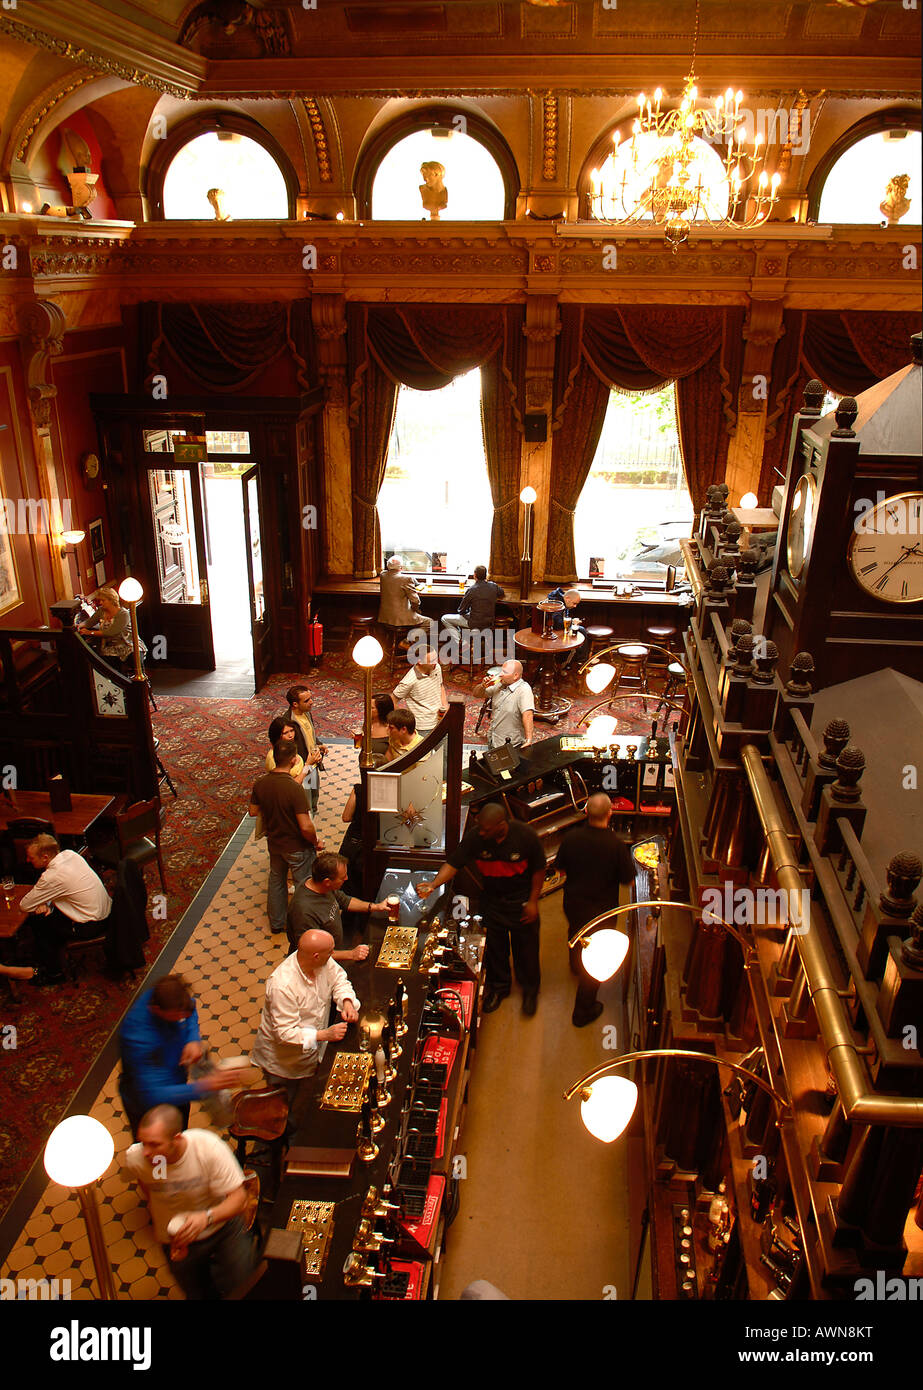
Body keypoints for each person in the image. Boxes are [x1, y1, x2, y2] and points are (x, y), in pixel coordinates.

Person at [418, 802, 546, 1015]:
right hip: (493, 901)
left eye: (486, 829)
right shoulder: (476, 837)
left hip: (521, 901)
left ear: (501, 826)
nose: (482, 832)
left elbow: (539, 870)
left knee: (527, 950)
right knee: (496, 950)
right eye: (481, 828)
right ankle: (500, 988)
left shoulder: (525, 836)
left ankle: (530, 991)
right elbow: (454, 864)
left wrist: (533, 901)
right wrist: (433, 884)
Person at [125, 1104, 257, 1301]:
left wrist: (206, 1218)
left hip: (222, 1229)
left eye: (154, 1144)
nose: (146, 1152)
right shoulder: (136, 1158)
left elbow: (239, 1199)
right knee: (196, 1294)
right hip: (178, 1239)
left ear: (176, 1139)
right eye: (143, 1143)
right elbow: (148, 1187)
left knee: (243, 1286)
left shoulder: (208, 1149)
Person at [250, 928, 360, 1134]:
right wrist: (324, 1035)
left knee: (306, 1094)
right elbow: (284, 1034)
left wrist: (347, 1002)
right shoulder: (282, 985)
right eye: (331, 952)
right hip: (284, 1061)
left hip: (310, 1049)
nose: (333, 955)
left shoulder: (321, 962)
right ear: (316, 955)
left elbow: (339, 980)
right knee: (285, 1106)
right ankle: (288, 1144)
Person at [118, 974, 244, 1137]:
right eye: (177, 1016)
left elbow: (189, 1008)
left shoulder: (168, 996)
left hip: (178, 1086)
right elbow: (152, 1094)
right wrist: (205, 1087)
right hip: (149, 1106)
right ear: (156, 1010)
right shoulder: (136, 1036)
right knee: (159, 1154)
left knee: (178, 1137)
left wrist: (193, 1039)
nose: (182, 1018)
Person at [555, 794, 636, 1026]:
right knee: (597, 957)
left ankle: (574, 965)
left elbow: (560, 870)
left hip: (574, 904)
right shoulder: (616, 846)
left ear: (586, 812)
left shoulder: (571, 839)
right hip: (602, 911)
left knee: (576, 935)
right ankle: (582, 1011)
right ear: (610, 813)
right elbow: (629, 881)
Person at [249, 744, 322, 935]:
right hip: (297, 845)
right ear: (293, 760)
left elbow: (253, 811)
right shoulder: (294, 789)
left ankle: (276, 923)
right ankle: (301, 926)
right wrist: (315, 842)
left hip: (274, 843)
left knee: (276, 881)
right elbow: (306, 826)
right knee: (304, 886)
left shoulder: (261, 783)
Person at [19, 833, 112, 983]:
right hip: (106, 911)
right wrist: (45, 900)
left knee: (39, 922)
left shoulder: (51, 877)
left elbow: (25, 905)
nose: (27, 860)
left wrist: (43, 901)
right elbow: (62, 890)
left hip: (90, 925)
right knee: (46, 915)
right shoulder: (70, 854)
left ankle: (54, 973)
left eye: (31, 857)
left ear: (44, 857)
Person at [286, 851, 386, 955]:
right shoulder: (304, 912)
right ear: (327, 882)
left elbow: (344, 900)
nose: (346, 878)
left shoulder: (321, 885)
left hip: (332, 951)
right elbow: (313, 953)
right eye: (343, 878)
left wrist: (376, 907)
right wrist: (351, 954)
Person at [472, 659, 534, 751]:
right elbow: (476, 694)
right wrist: (483, 686)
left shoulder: (524, 690)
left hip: (511, 745)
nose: (500, 674)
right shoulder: (500, 684)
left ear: (515, 676)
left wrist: (529, 739)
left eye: (505, 672)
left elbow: (528, 715)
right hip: (493, 739)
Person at [281, 685, 325, 814]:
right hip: (301, 767)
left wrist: (318, 744)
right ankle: (308, 818)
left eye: (311, 698)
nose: (311, 702)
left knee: (314, 791)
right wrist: (304, 764)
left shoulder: (306, 713)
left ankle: (313, 810)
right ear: (295, 704)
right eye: (306, 700)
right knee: (304, 799)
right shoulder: (288, 723)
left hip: (313, 762)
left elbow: (309, 734)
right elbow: (287, 749)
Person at [76, 586, 142, 669]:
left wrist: (90, 633)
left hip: (129, 645)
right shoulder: (101, 611)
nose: (100, 602)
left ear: (111, 600)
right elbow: (89, 622)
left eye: (103, 600)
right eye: (100, 600)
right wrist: (79, 625)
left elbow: (111, 632)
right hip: (110, 648)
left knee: (135, 658)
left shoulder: (123, 614)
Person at [392, 648, 447, 735]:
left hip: (440, 720)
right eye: (432, 660)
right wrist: (406, 719)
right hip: (423, 728)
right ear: (420, 662)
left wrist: (445, 705)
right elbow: (392, 701)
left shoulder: (436, 668)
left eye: (436, 658)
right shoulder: (409, 681)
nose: (435, 663)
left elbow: (440, 685)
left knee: (446, 747)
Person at [441, 565, 506, 636]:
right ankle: (463, 639)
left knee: (444, 618)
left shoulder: (472, 590)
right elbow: (501, 592)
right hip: (489, 622)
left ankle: (458, 640)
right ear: (486, 575)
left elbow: (461, 610)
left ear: (474, 575)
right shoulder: (493, 586)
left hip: (474, 623)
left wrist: (468, 612)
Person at [264, 717, 306, 784]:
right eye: (285, 733)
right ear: (277, 735)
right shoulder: (273, 758)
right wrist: (307, 767)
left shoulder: (290, 749)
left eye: (292, 731)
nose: (291, 735)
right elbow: (287, 785)